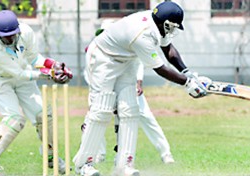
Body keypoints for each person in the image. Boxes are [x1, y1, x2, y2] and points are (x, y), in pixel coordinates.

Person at [74, 1, 207, 176]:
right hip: (103, 58)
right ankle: (83, 164)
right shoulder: (142, 34)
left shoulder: (157, 22)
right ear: (166, 23)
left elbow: (168, 49)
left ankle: (124, 166)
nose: (173, 31)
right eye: (173, 27)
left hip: (127, 59)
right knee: (102, 109)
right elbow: (160, 69)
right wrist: (187, 84)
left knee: (130, 110)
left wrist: (187, 72)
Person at [0, 10, 72, 176]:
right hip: (0, 81)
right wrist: (49, 75)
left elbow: (34, 59)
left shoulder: (27, 32)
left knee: (43, 114)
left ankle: (50, 156)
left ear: (18, 30)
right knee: (15, 119)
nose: (9, 39)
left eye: (12, 35)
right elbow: (19, 74)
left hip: (23, 76)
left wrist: (54, 65)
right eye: (5, 36)